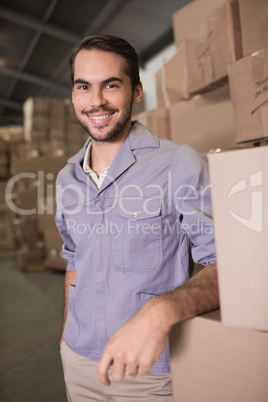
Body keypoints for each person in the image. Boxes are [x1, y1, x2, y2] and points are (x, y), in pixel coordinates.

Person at [55, 34, 219, 402]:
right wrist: (66, 337)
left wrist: (161, 311)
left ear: (137, 91)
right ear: (73, 95)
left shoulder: (179, 164)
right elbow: (73, 261)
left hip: (149, 372)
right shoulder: (67, 178)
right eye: (83, 87)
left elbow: (227, 266)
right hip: (78, 362)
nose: (95, 101)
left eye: (110, 85)